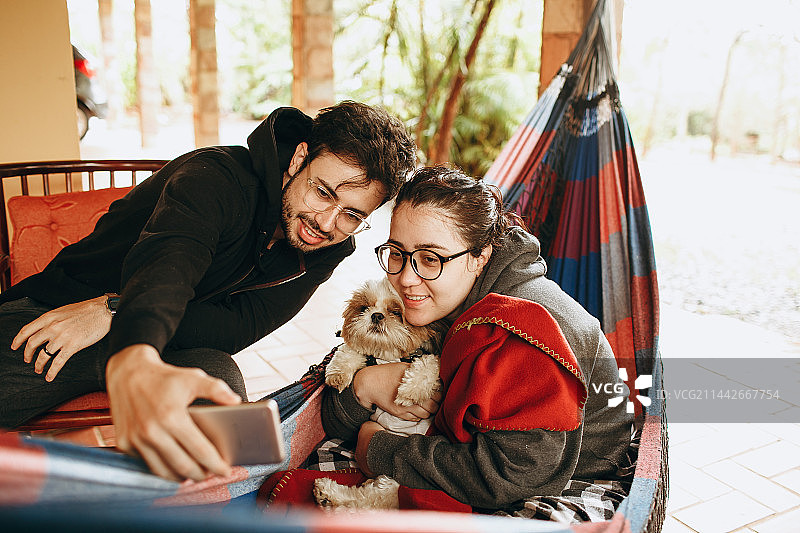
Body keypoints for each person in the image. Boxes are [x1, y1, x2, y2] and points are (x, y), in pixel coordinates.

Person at [0, 100, 416, 482]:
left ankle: (188, 510)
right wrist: (130, 340)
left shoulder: (328, 249)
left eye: (351, 214)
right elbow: (169, 265)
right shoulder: (216, 177)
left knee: (231, 420)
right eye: (323, 192)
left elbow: (234, 330)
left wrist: (113, 310)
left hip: (166, 342)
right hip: (59, 314)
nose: (326, 223)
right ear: (299, 158)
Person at [321, 165, 634, 512]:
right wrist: (365, 385)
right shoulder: (440, 301)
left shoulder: (521, 331)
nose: (407, 278)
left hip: (574, 474)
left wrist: (376, 450)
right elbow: (334, 416)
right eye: (397, 253)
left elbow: (512, 477)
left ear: (480, 256)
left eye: (430, 258)